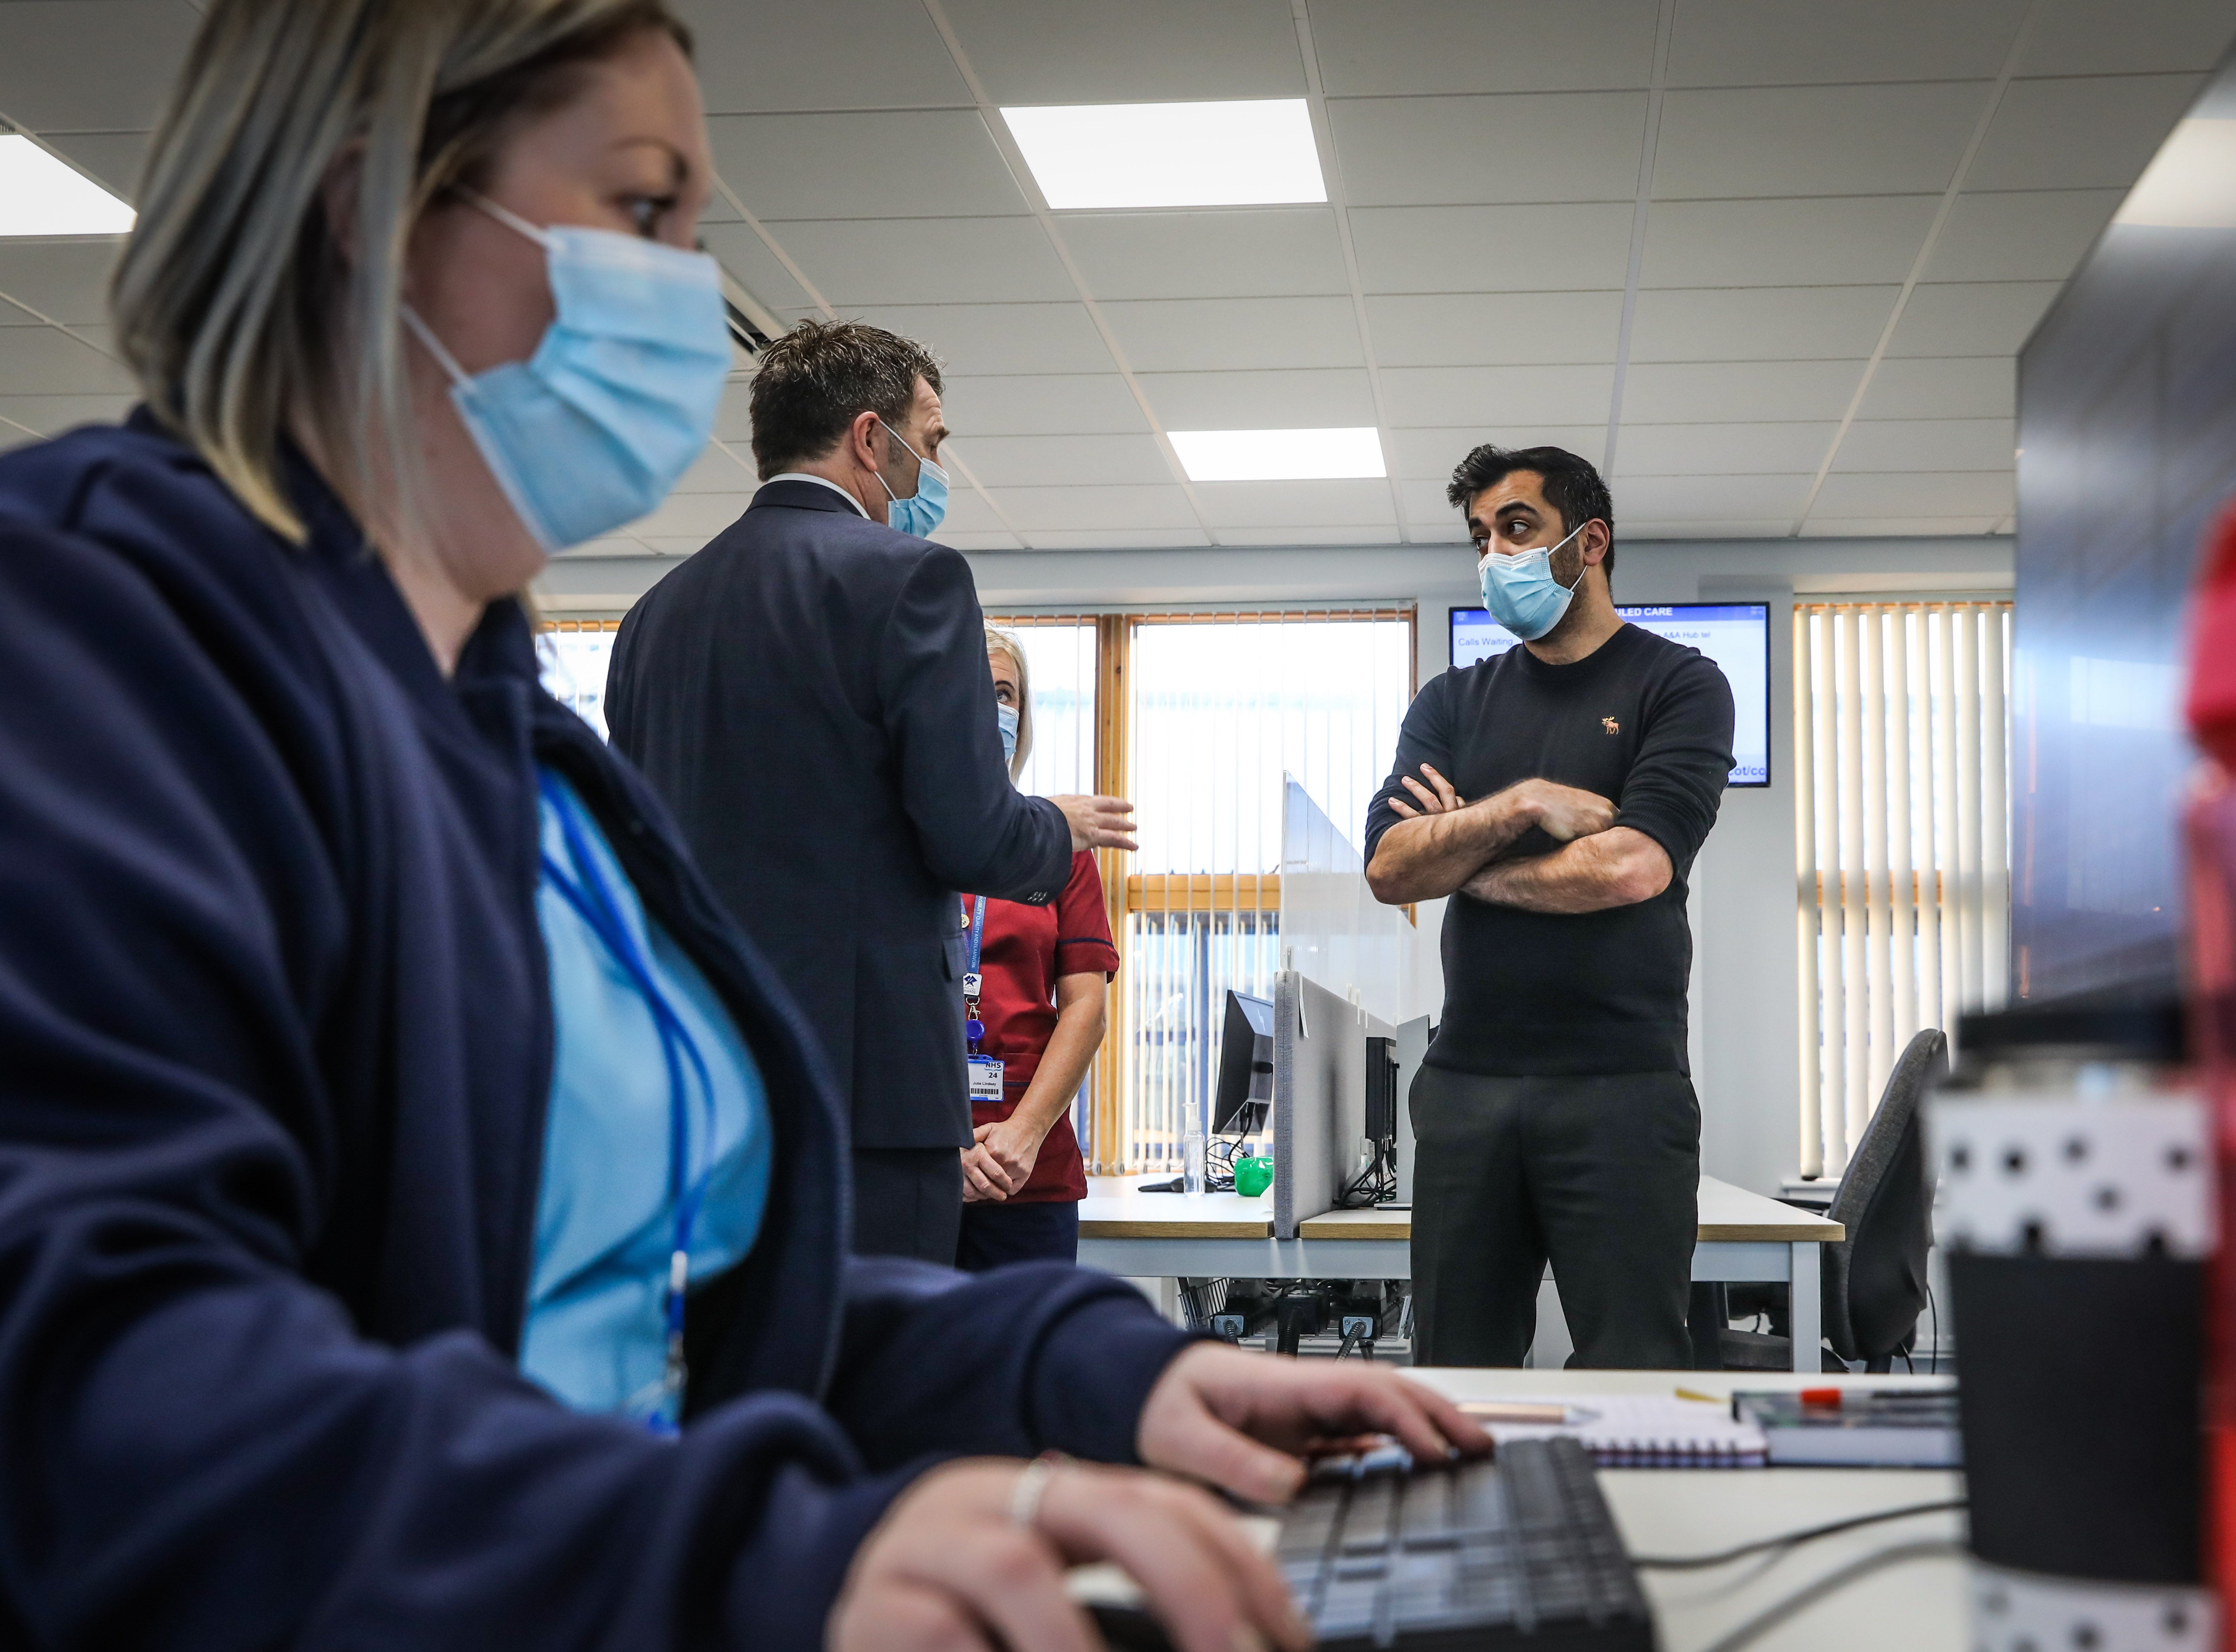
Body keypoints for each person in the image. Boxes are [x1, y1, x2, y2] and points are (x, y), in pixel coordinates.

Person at [0, 5, 1492, 1649]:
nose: (683, 296)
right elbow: (97, 1384)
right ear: (368, 216)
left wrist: (1083, 1364)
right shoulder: (80, 632)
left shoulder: (517, 736)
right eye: (646, 213)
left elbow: (666, 1309)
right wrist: (742, 1553)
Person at [606, 321, 1133, 1265]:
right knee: (884, 1380)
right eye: (928, 444)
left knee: (740, 1381)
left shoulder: (654, 618)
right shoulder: (912, 580)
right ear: (867, 439)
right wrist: (1054, 823)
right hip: (871, 1099)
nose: (934, 469)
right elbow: (972, 834)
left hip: (701, 1089)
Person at [1364, 445, 1734, 1370]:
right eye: (1481, 537)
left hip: (1623, 1089)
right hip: (1467, 1089)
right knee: (1456, 1372)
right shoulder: (1451, 702)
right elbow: (1388, 866)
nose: (1495, 555)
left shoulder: (1680, 685)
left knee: (1636, 1371)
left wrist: (1466, 862)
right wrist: (1523, 804)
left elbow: (1630, 868)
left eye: (1518, 528)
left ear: (1589, 542)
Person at [955, 627, 1117, 1269]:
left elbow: (1087, 1009)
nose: (993, 708)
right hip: (915, 1167)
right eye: (975, 692)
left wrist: (1022, 1135)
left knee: (1027, 1365)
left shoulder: (1058, 848)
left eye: (1004, 694)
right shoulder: (892, 844)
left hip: (1028, 1169)